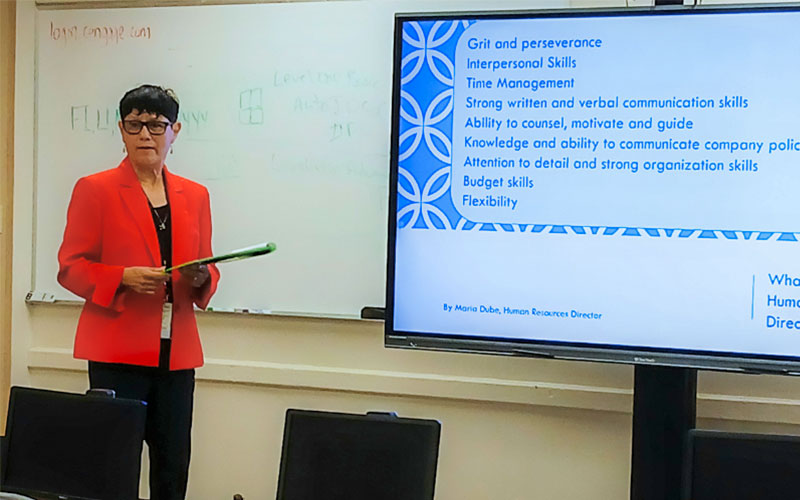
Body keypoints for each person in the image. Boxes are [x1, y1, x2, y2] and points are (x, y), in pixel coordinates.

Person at [57, 84, 220, 500]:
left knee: (173, 465)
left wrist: (203, 277)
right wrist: (122, 277)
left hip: (177, 353)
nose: (145, 134)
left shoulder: (195, 194)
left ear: (175, 130)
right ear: (122, 129)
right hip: (117, 351)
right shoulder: (95, 189)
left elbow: (206, 265)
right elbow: (70, 268)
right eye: (135, 125)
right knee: (114, 466)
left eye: (156, 125)